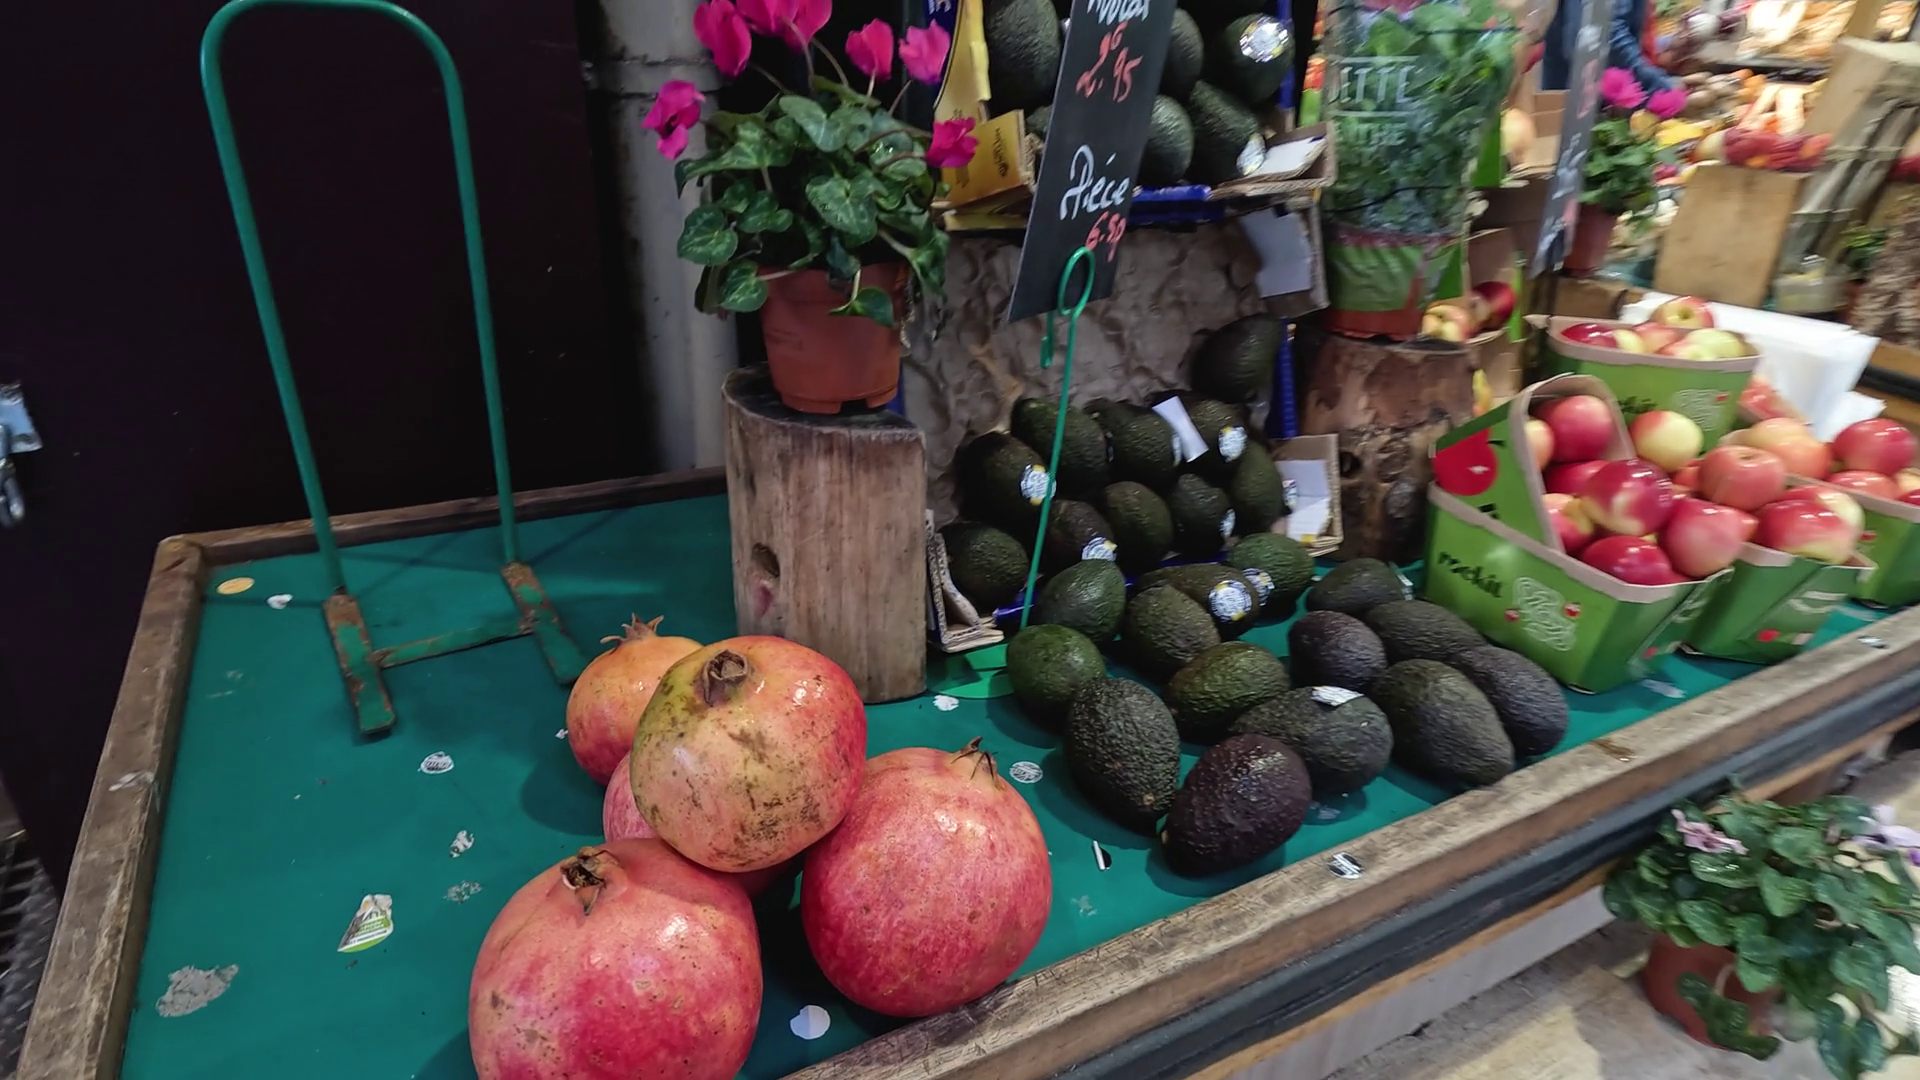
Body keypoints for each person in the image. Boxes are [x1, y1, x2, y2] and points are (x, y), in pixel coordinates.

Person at [1540, 0, 1682, 93]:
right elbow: (1608, 34)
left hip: (1586, 95)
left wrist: (1667, 42)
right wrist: (1660, 86)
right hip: (1581, 102)